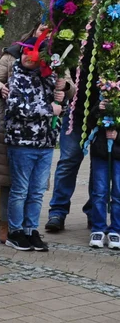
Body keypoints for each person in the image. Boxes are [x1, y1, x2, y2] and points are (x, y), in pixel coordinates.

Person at [0, 24, 46, 244]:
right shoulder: (12, 54)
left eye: (50, 29)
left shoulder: (56, 57)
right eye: (41, 28)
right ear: (34, 30)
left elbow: (68, 85)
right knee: (7, 178)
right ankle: (7, 225)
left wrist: (65, 88)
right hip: (11, 124)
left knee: (33, 184)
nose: (44, 33)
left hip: (41, 130)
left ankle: (27, 227)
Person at [4, 45, 61, 252]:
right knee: (20, 190)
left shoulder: (50, 78)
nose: (30, 57)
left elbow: (61, 106)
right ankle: (15, 231)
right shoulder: (16, 77)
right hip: (22, 143)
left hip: (45, 143)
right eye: (26, 53)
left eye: (35, 54)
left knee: (37, 191)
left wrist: (62, 98)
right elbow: (16, 107)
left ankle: (31, 229)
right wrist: (48, 110)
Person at [45, 26, 94, 234]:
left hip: (106, 109)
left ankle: (96, 212)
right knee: (68, 161)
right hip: (77, 109)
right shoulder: (78, 25)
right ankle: (58, 211)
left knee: (101, 165)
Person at [86, 97, 120, 248]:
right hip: (101, 151)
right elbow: (89, 122)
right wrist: (97, 109)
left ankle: (116, 230)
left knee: (118, 193)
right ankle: (98, 227)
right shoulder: (104, 95)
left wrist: (117, 136)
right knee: (99, 191)